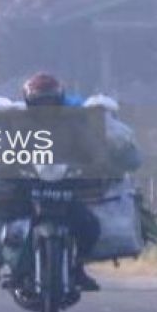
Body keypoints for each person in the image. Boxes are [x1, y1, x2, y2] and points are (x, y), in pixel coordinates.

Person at [19, 72, 102, 292]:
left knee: (89, 226)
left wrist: (93, 164)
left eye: (50, 102)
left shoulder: (73, 123)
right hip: (30, 188)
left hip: (65, 187)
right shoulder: (19, 124)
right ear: (30, 104)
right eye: (40, 103)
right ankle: (19, 268)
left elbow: (90, 149)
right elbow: (5, 151)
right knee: (13, 227)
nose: (46, 108)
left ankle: (78, 268)